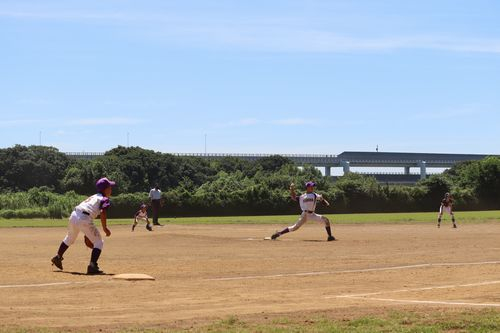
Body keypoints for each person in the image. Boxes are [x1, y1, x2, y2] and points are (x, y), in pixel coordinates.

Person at [51, 177, 115, 275]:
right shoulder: (104, 199)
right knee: (98, 242)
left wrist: (87, 232)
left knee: (69, 238)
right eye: (110, 187)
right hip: (84, 218)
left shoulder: (94, 196)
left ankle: (58, 257)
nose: (111, 189)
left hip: (74, 215)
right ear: (105, 189)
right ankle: (92, 266)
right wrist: (105, 228)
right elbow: (103, 212)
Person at [270, 181, 335, 241]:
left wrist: (326, 203)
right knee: (294, 227)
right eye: (311, 186)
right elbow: (293, 197)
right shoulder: (302, 196)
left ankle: (330, 236)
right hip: (305, 215)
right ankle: (278, 234)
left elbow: (321, 199)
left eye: (313, 186)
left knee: (326, 220)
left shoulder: (314, 195)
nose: (312, 187)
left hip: (312, 215)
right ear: (307, 188)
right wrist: (292, 189)